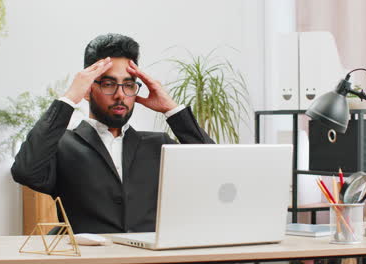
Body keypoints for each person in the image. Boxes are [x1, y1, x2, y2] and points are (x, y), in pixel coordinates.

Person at [11, 33, 214, 234]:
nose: (120, 95)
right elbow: (25, 171)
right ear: (88, 90)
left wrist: (172, 109)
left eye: (128, 84)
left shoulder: (159, 145)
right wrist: (70, 98)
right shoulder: (63, 146)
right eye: (108, 84)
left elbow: (214, 169)